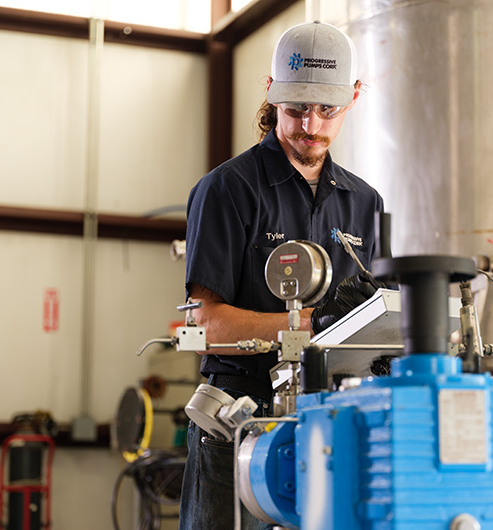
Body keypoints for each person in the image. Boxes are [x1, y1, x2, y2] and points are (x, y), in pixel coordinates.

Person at [178, 20, 384, 530]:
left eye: (326, 110)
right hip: (238, 427)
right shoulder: (228, 189)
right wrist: (315, 324)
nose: (309, 126)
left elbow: (382, 326)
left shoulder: (365, 204)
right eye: (295, 110)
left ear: (353, 98)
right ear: (271, 93)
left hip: (334, 429)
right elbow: (199, 326)